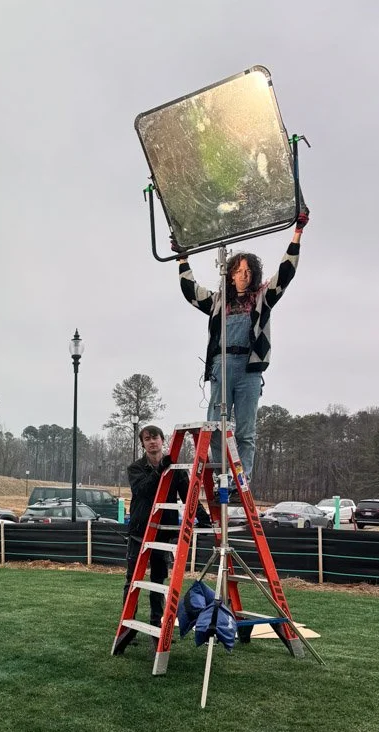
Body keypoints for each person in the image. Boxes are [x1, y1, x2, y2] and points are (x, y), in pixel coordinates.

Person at [174, 209, 309, 482]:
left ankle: (241, 478)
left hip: (249, 368)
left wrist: (297, 233)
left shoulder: (262, 298)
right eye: (238, 271)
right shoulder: (217, 302)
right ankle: (218, 475)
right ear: (230, 274)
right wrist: (182, 257)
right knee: (215, 426)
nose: (243, 276)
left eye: (248, 271)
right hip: (221, 365)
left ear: (254, 275)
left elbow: (285, 273)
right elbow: (191, 291)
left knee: (246, 429)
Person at [124, 421, 211, 628]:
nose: (152, 442)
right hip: (140, 531)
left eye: (155, 437)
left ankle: (156, 622)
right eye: (147, 439)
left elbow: (188, 496)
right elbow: (142, 491)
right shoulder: (135, 468)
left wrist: (204, 518)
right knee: (131, 581)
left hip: (163, 532)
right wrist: (159, 472)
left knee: (158, 580)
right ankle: (128, 625)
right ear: (143, 444)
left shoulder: (177, 469)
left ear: (163, 441)